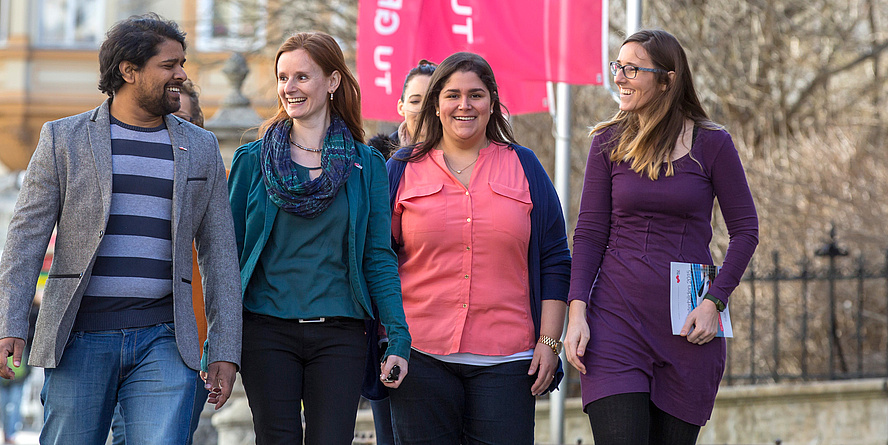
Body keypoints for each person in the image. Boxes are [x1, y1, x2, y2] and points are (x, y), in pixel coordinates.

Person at [0, 13, 242, 445]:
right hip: (79, 338)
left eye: (182, 63)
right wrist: (9, 322)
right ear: (128, 71)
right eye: (169, 65)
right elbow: (24, 241)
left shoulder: (200, 146)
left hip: (165, 339)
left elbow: (220, 253)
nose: (181, 74)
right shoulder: (62, 139)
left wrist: (224, 348)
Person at [563, 29, 759, 444]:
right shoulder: (607, 143)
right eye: (618, 66)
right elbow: (590, 233)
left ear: (668, 80)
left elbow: (746, 231)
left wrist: (715, 300)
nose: (619, 77)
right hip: (614, 320)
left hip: (688, 325)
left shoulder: (713, 143)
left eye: (632, 69)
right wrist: (576, 312)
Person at [228, 31, 410, 445]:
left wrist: (397, 334)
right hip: (266, 331)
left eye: (302, 77)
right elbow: (226, 258)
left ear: (332, 82)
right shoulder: (251, 161)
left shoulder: (366, 165)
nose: (289, 88)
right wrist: (215, 345)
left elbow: (379, 257)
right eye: (282, 77)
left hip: (340, 333)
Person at [386, 51, 571, 445]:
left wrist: (550, 342)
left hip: (507, 362)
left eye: (476, 94)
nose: (464, 105)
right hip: (420, 357)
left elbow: (555, 258)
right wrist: (389, 341)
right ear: (436, 105)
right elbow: (379, 259)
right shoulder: (401, 169)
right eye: (452, 95)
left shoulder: (525, 166)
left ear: (492, 104)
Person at [109, 77, 210, 445]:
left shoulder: (220, 185)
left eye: (180, 121)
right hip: (118, 330)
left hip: (192, 348)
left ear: (197, 129)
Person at [362, 58, 436, 445]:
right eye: (415, 100)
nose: (422, 110)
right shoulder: (374, 162)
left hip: (443, 328)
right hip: (388, 329)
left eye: (431, 99)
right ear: (400, 106)